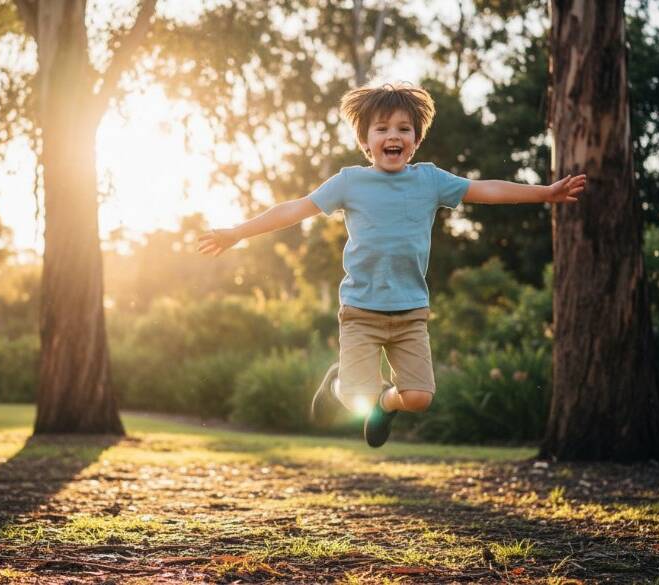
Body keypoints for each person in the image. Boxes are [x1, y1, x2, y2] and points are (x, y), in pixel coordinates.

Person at [197, 82, 585, 448]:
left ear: (415, 141)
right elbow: (294, 209)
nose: (393, 136)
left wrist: (545, 193)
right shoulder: (349, 182)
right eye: (381, 129)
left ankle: (385, 404)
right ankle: (338, 383)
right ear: (366, 142)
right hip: (361, 311)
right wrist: (238, 232)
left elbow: (485, 188)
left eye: (403, 128)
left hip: (410, 313)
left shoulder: (431, 181)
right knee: (354, 397)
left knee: (418, 398)